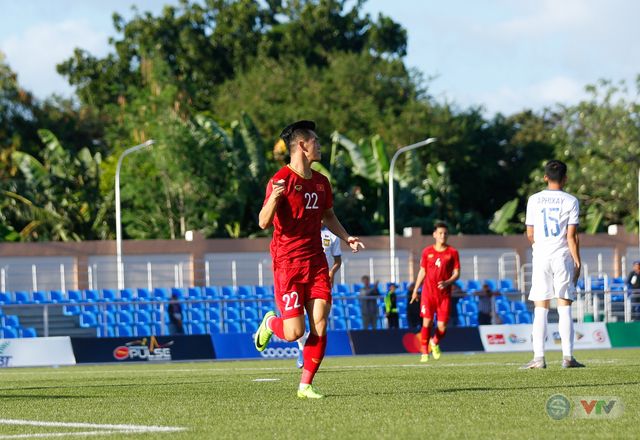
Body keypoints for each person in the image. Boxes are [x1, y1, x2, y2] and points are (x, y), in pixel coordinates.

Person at [254, 120, 365, 399]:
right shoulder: (280, 180)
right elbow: (262, 223)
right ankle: (270, 323)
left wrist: (346, 237)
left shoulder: (321, 182)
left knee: (321, 323)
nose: (319, 145)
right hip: (288, 264)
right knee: (293, 332)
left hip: (316, 261)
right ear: (302, 146)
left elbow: (328, 216)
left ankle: (305, 385)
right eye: (315, 141)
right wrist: (273, 200)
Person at [521, 160, 584, 369]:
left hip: (541, 256)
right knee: (564, 305)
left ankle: (539, 358)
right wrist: (577, 260)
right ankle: (568, 357)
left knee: (541, 307)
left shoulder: (534, 199)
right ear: (565, 178)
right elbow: (571, 236)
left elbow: (530, 234)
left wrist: (541, 246)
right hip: (562, 257)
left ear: (545, 177)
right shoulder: (571, 200)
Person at [410, 222, 460, 362]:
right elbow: (422, 271)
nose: (442, 235)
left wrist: (448, 282)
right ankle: (424, 352)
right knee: (427, 322)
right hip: (428, 294)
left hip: (444, 295)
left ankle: (434, 342)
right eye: (440, 233)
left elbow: (457, 273)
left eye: (445, 233)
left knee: (442, 326)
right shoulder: (427, 252)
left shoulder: (452, 252)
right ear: (434, 235)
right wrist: (415, 290)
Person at [295, 224, 343, 369]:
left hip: (320, 281)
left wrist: (332, 272)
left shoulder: (332, 236)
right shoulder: (303, 230)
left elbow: (338, 261)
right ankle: (302, 347)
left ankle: (309, 356)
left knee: (318, 320)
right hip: (302, 278)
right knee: (298, 320)